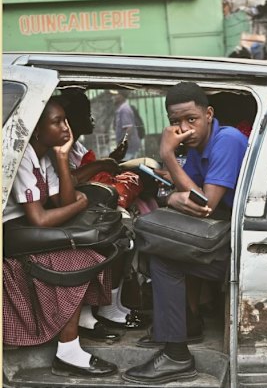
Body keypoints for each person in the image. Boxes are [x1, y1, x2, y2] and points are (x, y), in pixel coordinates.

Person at [122, 82, 248, 384]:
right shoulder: (197, 146)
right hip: (225, 229)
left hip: (247, 240)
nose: (184, 128)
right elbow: (186, 192)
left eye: (191, 119)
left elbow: (203, 205)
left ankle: (177, 354)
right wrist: (170, 196)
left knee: (166, 256)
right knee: (164, 241)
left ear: (208, 114)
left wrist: (167, 155)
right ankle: (186, 324)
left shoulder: (227, 139)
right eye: (175, 122)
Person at [2, 97, 118, 377]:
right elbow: (41, 217)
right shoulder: (23, 154)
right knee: (78, 257)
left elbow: (62, 198)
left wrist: (63, 157)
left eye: (65, 120)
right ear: (37, 129)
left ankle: (80, 328)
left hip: (30, 226)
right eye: (57, 122)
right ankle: (68, 352)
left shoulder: (46, 154)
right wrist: (78, 204)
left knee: (98, 244)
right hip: (11, 229)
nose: (66, 128)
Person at [59, 89, 145, 337]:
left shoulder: (77, 146)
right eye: (86, 113)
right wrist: (102, 165)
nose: (92, 119)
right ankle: (98, 309)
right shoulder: (59, 150)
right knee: (118, 229)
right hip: (74, 208)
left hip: (86, 203)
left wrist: (109, 162)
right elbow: (70, 182)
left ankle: (112, 303)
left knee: (126, 230)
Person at [112, 89, 141, 160]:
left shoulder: (124, 110)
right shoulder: (121, 109)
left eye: (116, 95)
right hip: (128, 148)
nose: (113, 97)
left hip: (128, 148)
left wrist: (123, 144)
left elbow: (129, 129)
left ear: (121, 96)